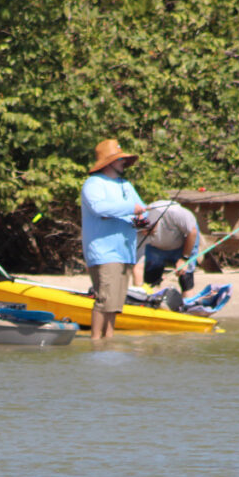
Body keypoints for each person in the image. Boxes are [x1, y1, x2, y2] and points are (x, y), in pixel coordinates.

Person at [81, 139, 147, 340]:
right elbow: (99, 208)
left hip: (125, 252)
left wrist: (143, 221)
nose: (124, 162)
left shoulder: (126, 185)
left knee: (115, 304)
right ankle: (95, 342)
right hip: (104, 252)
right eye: (120, 159)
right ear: (109, 162)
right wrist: (131, 209)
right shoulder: (93, 184)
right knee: (104, 300)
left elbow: (142, 211)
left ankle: (108, 342)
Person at [132, 200, 200, 298]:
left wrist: (184, 259)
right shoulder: (139, 233)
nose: (145, 233)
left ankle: (188, 301)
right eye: (142, 230)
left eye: (148, 228)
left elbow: (192, 232)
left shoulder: (174, 213)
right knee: (150, 277)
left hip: (185, 240)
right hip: (156, 247)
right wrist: (138, 292)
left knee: (185, 276)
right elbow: (138, 267)